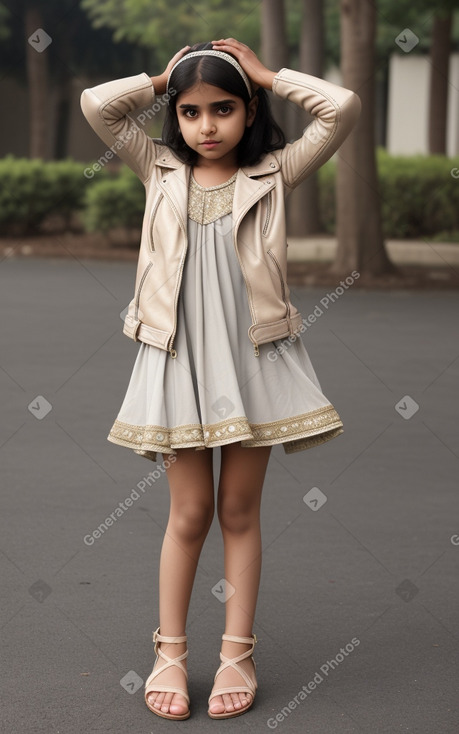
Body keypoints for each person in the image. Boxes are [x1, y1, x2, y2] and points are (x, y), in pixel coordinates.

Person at [80, 37, 361, 721]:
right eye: (191, 111)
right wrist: (158, 77)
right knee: (188, 514)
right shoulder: (159, 169)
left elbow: (342, 108)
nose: (206, 126)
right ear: (174, 116)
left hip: (251, 361)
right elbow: (97, 107)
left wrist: (269, 71)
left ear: (249, 108)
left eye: (224, 109)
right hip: (179, 361)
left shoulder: (275, 172)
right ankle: (168, 652)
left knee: (238, 512)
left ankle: (237, 649)